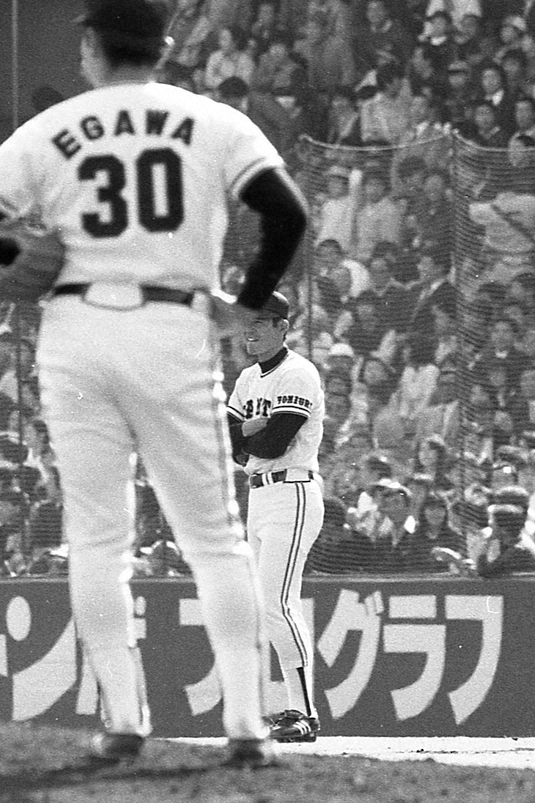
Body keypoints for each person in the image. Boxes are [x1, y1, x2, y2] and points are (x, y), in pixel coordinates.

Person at [0, 0, 307, 769]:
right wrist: (244, 305)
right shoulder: (213, 121)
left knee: (98, 540)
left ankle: (125, 720)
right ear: (166, 47)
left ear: (90, 45)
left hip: (75, 330)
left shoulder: (53, 127)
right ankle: (247, 725)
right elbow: (288, 212)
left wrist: (16, 253)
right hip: (173, 326)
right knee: (215, 539)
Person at [226, 290, 325, 745]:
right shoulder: (248, 378)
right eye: (246, 322)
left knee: (277, 604)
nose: (249, 330)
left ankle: (304, 713)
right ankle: (297, 709)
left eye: (259, 322)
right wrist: (249, 429)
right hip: (260, 495)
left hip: (293, 490)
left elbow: (275, 443)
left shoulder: (297, 372)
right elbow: (222, 437)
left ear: (282, 327)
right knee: (272, 607)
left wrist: (245, 435)